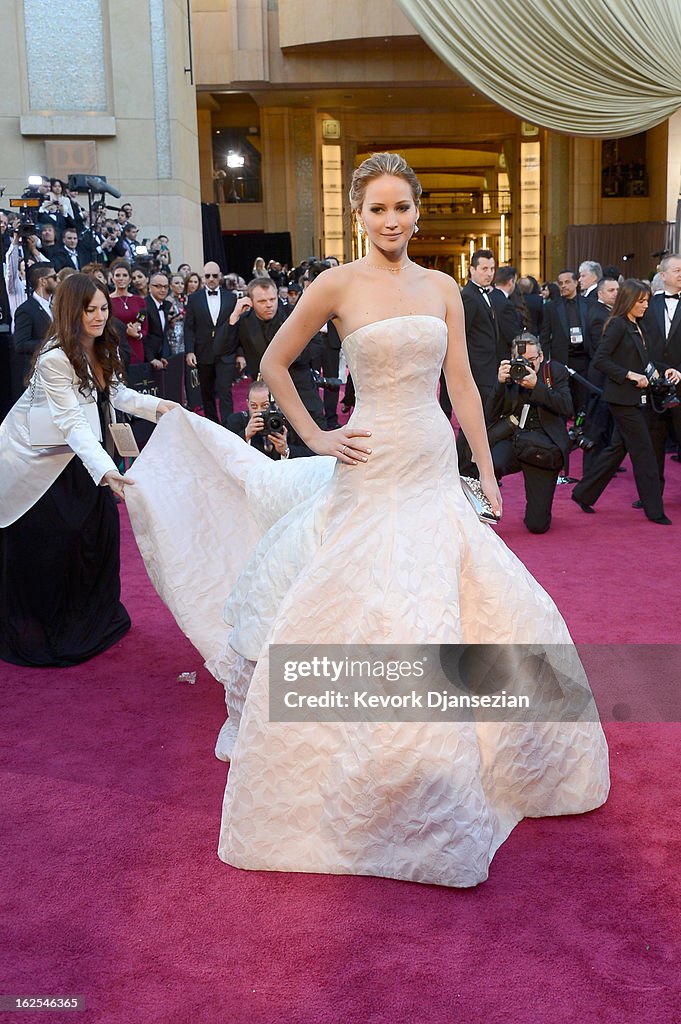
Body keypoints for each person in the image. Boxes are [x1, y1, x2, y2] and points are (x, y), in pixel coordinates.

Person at [125, 153, 609, 888]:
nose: (391, 221)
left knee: (465, 599)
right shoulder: (334, 283)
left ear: (418, 213)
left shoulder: (442, 286)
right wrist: (318, 436)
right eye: (377, 209)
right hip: (367, 468)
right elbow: (275, 367)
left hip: (428, 467)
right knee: (369, 605)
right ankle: (382, 773)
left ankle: (482, 765)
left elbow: (463, 391)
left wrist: (481, 469)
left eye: (402, 208)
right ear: (358, 214)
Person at [0, 273, 176, 667]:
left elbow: (116, 394)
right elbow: (71, 424)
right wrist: (108, 470)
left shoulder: (101, 346)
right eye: (89, 310)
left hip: (82, 455)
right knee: (57, 540)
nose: (99, 317)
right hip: (40, 463)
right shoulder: (54, 358)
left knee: (99, 533)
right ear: (71, 311)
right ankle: (51, 628)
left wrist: (157, 407)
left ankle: (92, 620)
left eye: (102, 309)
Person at [571, 279, 677, 523]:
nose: (646, 306)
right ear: (628, 301)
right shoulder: (617, 325)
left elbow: (644, 362)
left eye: (647, 301)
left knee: (616, 450)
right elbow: (600, 360)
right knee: (645, 454)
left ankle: (583, 493)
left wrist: (666, 370)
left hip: (638, 399)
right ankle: (655, 511)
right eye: (641, 301)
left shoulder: (637, 325)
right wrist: (630, 376)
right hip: (623, 400)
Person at [486, 333, 572, 533]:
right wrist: (500, 384)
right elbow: (490, 414)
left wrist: (537, 387)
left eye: (532, 360)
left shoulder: (554, 371)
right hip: (513, 440)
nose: (527, 365)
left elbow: (567, 407)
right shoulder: (508, 374)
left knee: (537, 525)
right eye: (523, 360)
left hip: (542, 445)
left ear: (541, 356)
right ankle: (477, 510)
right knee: (484, 462)